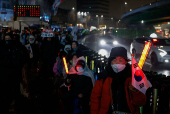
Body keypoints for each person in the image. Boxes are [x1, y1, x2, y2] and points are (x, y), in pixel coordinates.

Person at [90, 47, 146, 114]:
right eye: (114, 60)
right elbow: (95, 99)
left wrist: (135, 91)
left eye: (120, 60)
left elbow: (141, 102)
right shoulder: (103, 77)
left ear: (125, 62)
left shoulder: (133, 77)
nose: (117, 63)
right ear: (110, 62)